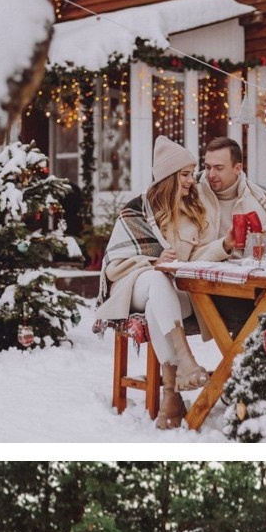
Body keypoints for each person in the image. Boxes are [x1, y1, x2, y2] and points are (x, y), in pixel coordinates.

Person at [96, 135, 240, 409]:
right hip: (133, 285)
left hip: (171, 291)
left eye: (191, 173)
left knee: (157, 302)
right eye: (185, 174)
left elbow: (195, 259)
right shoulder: (136, 210)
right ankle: (186, 362)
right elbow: (114, 263)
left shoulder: (192, 213)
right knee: (155, 280)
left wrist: (224, 245)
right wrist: (152, 261)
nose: (192, 179)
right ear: (169, 176)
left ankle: (171, 396)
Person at [198, 135, 266, 245]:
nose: (211, 174)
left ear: (237, 168)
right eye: (208, 167)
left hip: (249, 261)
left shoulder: (259, 196)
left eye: (219, 168)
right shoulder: (193, 195)